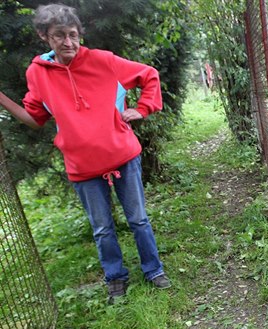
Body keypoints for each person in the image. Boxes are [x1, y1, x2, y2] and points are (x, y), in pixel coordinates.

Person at [0, 3, 170, 303]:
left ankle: (154, 270)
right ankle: (115, 279)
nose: (68, 43)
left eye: (73, 34)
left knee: (139, 219)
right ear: (44, 37)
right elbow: (34, 118)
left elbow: (148, 74)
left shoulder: (102, 60)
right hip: (82, 165)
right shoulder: (38, 74)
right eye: (59, 36)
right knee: (102, 228)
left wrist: (142, 109)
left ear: (80, 34)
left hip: (123, 155)